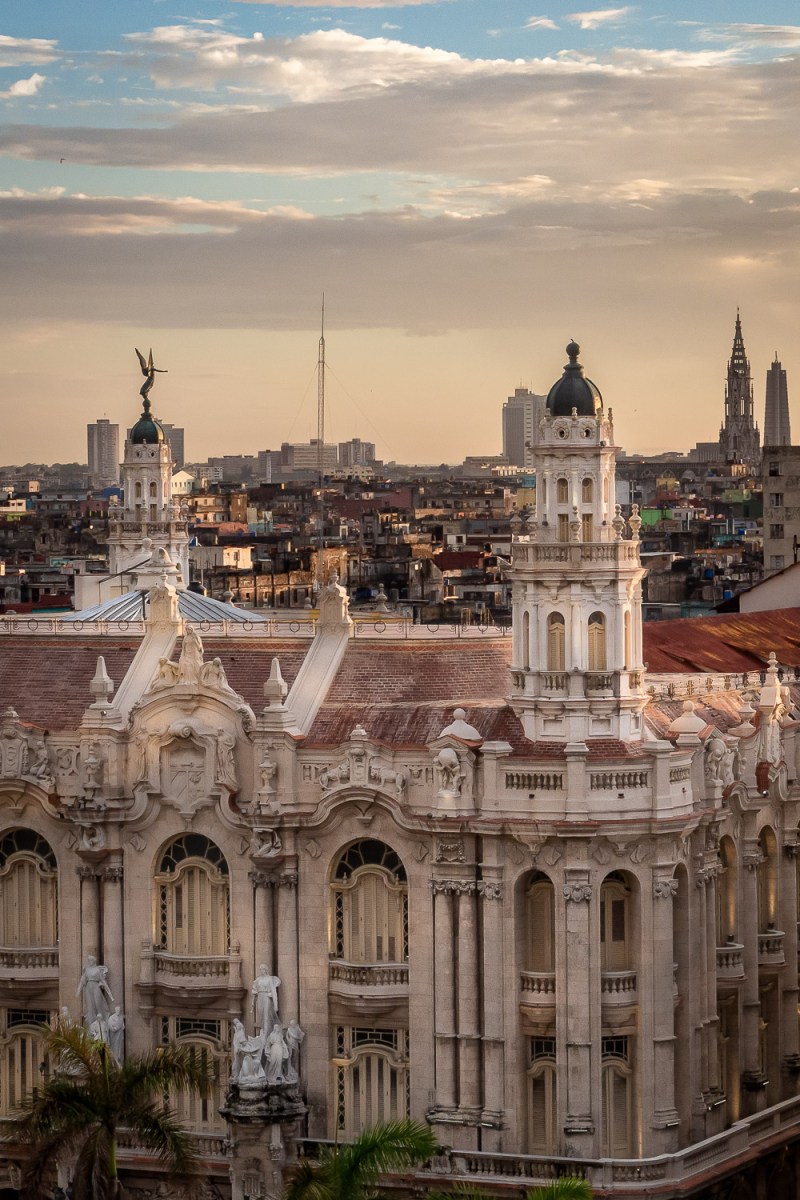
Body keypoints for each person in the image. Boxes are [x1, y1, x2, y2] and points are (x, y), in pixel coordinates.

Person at [76, 955, 114, 1027]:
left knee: (98, 1003)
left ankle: (101, 1022)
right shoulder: (86, 970)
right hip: (88, 988)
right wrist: (78, 992)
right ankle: (92, 1025)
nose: (89, 961)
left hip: (96, 987)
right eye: (89, 960)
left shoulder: (98, 969)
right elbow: (82, 981)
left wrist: (110, 994)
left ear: (94, 961)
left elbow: (103, 982)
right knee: (90, 1006)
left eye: (91, 960)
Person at [251, 964, 280, 1034]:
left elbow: (274, 992)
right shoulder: (258, 979)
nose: (262, 971)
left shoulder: (270, 979)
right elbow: (254, 992)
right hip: (260, 996)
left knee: (266, 1014)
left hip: (267, 997)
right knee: (261, 1015)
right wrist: (252, 1005)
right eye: (260, 969)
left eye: (263, 969)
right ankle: (262, 1031)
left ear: (266, 970)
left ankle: (266, 1033)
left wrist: (276, 1005)